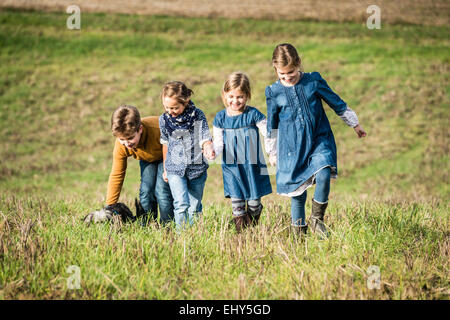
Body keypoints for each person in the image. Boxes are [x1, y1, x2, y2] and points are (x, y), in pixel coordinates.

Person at [265, 43, 367, 239]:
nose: (287, 78)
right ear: (275, 69)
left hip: (319, 139)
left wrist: (355, 124)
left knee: (324, 172)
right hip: (291, 148)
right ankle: (298, 236)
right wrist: (272, 152)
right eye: (282, 74)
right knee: (298, 193)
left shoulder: (313, 81)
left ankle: (317, 219)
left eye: (291, 73)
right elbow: (272, 124)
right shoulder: (273, 92)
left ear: (299, 64)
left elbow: (335, 101)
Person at [208, 72, 275, 232]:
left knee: (254, 205)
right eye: (231, 96)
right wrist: (213, 152)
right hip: (232, 168)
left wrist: (273, 152)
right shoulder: (220, 118)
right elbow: (218, 142)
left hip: (252, 166)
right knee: (237, 204)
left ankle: (251, 226)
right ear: (224, 95)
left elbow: (269, 133)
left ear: (247, 96)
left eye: (240, 97)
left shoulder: (253, 115)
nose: (235, 101)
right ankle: (240, 235)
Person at [159, 81, 214, 230]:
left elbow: (204, 136)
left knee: (194, 206)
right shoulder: (164, 120)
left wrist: (208, 147)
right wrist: (165, 167)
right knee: (181, 203)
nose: (170, 111)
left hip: (196, 167)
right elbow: (165, 143)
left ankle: (194, 234)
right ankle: (181, 235)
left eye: (175, 107)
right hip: (174, 168)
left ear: (186, 102)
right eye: (167, 107)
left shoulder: (197, 115)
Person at [106, 105, 174, 225]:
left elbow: (173, 147)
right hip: (148, 158)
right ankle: (147, 224)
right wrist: (110, 206)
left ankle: (167, 226)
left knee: (162, 192)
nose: (126, 143)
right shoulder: (121, 145)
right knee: (145, 192)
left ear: (140, 129)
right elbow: (117, 174)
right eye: (122, 139)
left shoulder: (157, 129)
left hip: (168, 155)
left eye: (130, 138)